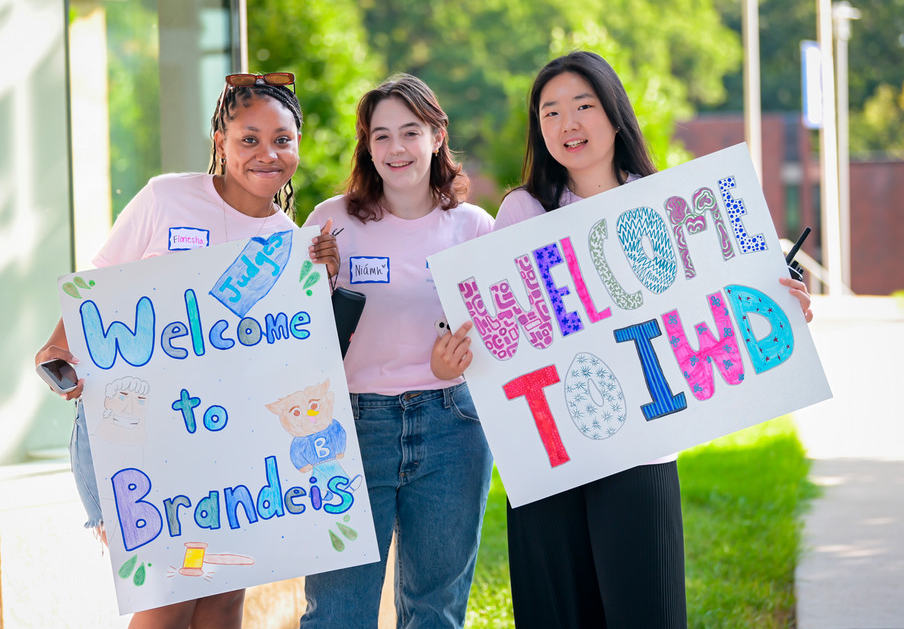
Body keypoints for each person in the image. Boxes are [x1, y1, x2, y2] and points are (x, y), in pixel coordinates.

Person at [482, 50, 815, 628]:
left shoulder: (667, 204)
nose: (568, 124)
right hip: (551, 455)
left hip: (641, 449)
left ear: (614, 115)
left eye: (583, 106)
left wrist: (781, 298)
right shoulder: (523, 210)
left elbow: (720, 296)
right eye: (550, 112)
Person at [34, 72, 339, 629]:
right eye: (249, 139)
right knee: (168, 598)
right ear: (220, 142)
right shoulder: (166, 198)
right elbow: (101, 284)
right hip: (139, 437)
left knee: (223, 598)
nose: (267, 153)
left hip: (227, 447)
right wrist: (57, 351)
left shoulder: (286, 241)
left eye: (282, 139)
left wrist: (321, 282)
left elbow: (280, 354)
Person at [298, 74, 494, 629]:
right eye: (380, 135)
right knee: (338, 613)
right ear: (366, 145)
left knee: (436, 611)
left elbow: (501, 338)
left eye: (410, 131)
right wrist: (320, 282)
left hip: (453, 428)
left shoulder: (475, 228)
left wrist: (450, 364)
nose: (396, 149)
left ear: (436, 136)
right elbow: (292, 337)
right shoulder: (330, 224)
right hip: (351, 429)